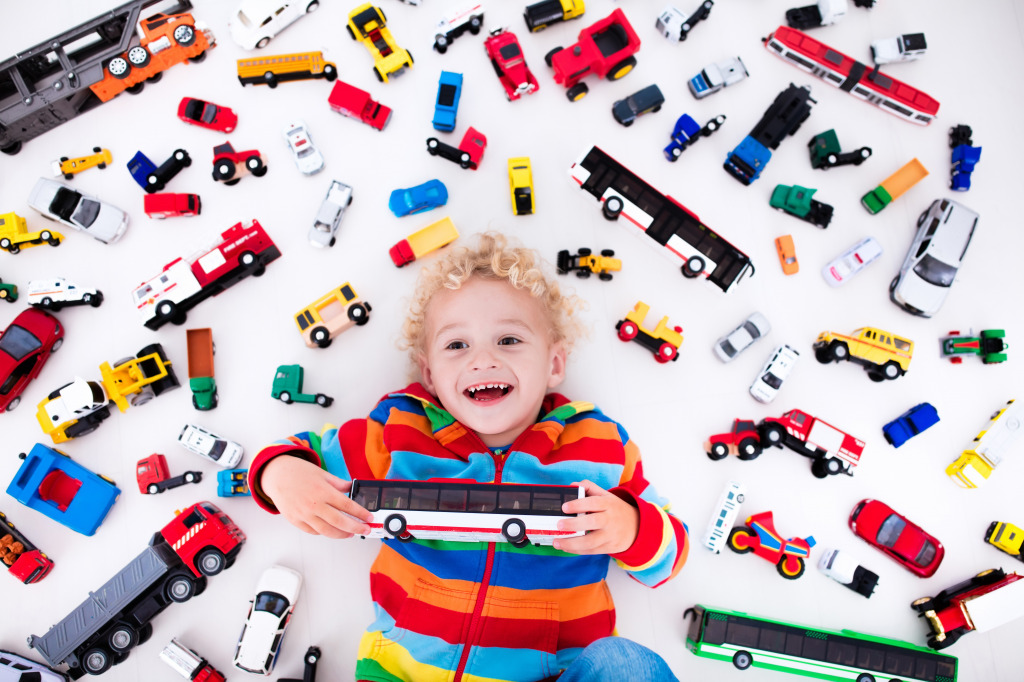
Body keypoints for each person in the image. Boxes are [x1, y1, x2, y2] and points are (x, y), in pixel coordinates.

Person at [248, 233, 688, 682]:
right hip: (407, 672)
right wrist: (280, 475)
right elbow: (296, 452)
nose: (482, 359)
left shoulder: (600, 447)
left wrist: (630, 527)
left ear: (554, 364)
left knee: (628, 664)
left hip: (552, 673)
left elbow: (671, 556)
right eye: (457, 346)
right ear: (430, 374)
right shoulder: (400, 432)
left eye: (509, 339)